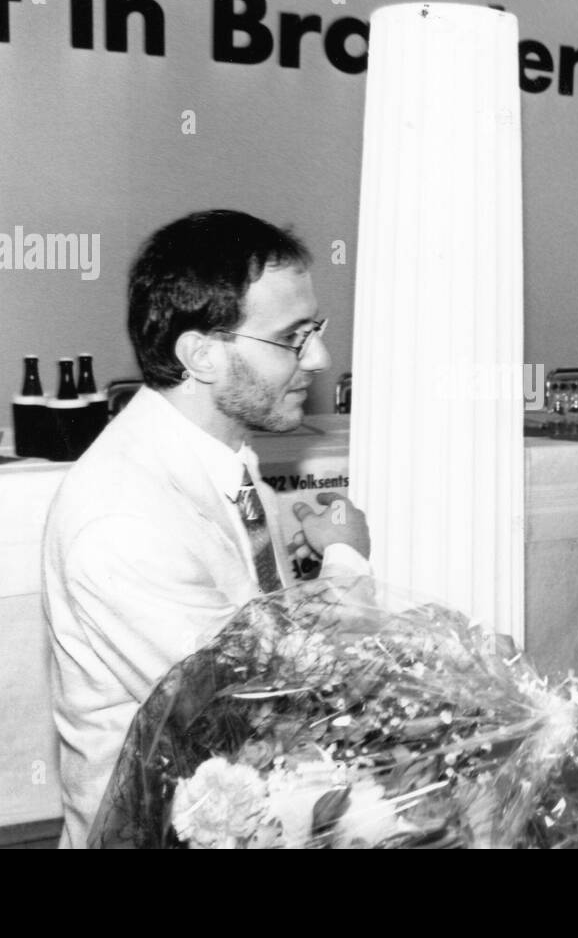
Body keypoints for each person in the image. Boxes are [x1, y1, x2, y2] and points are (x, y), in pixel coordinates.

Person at [41, 210, 371, 849]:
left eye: (316, 330)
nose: (321, 357)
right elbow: (249, 716)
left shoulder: (225, 463)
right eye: (292, 337)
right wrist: (344, 567)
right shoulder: (123, 519)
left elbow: (249, 641)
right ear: (200, 354)